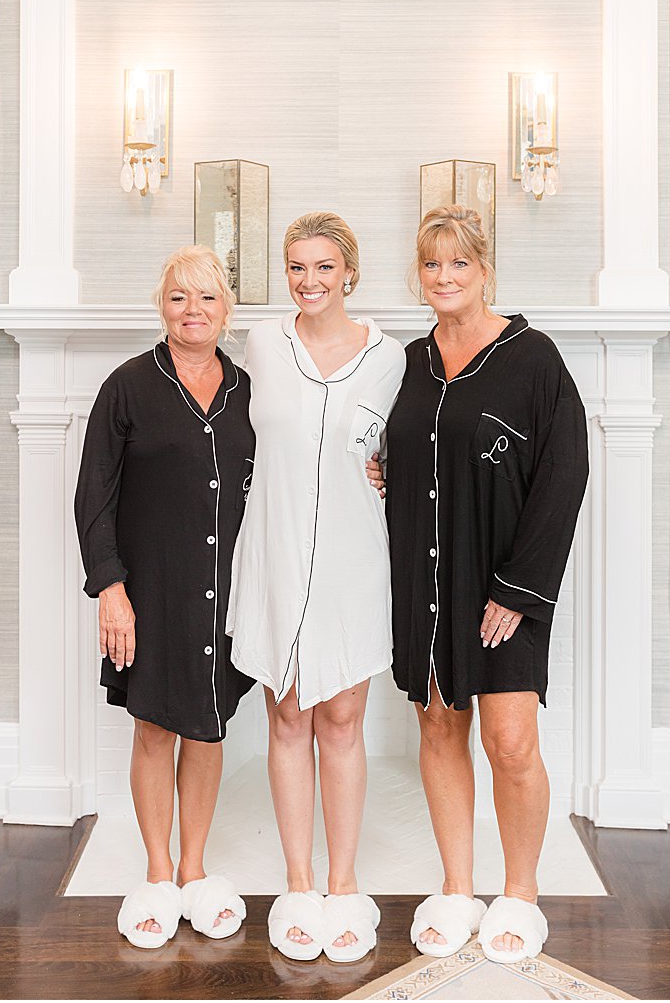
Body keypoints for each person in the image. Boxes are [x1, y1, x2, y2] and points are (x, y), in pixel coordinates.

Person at [377, 205, 588, 964]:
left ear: (485, 269)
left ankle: (521, 892)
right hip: (427, 577)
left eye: (458, 263)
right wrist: (385, 471)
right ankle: (458, 886)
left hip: (504, 583)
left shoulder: (533, 358)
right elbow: (402, 448)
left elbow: (565, 475)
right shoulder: (407, 360)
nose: (444, 277)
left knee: (509, 739)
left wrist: (520, 589)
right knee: (438, 726)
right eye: (431, 264)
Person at [225, 212, 405, 962]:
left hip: (353, 557)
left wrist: (387, 470)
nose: (309, 281)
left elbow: (411, 442)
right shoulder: (262, 341)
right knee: (289, 715)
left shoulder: (390, 357)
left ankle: (343, 881)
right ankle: (298, 884)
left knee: (343, 717)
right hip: (274, 551)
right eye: (297, 267)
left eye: (323, 268)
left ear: (349, 274)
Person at [74, 246, 256, 950]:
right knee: (154, 725)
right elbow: (95, 497)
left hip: (226, 590)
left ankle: (194, 868)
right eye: (179, 297)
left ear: (225, 310)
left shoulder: (246, 388)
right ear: (162, 305)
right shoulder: (127, 387)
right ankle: (156, 873)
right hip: (150, 589)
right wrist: (110, 589)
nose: (193, 310)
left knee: (208, 725)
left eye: (206, 298)